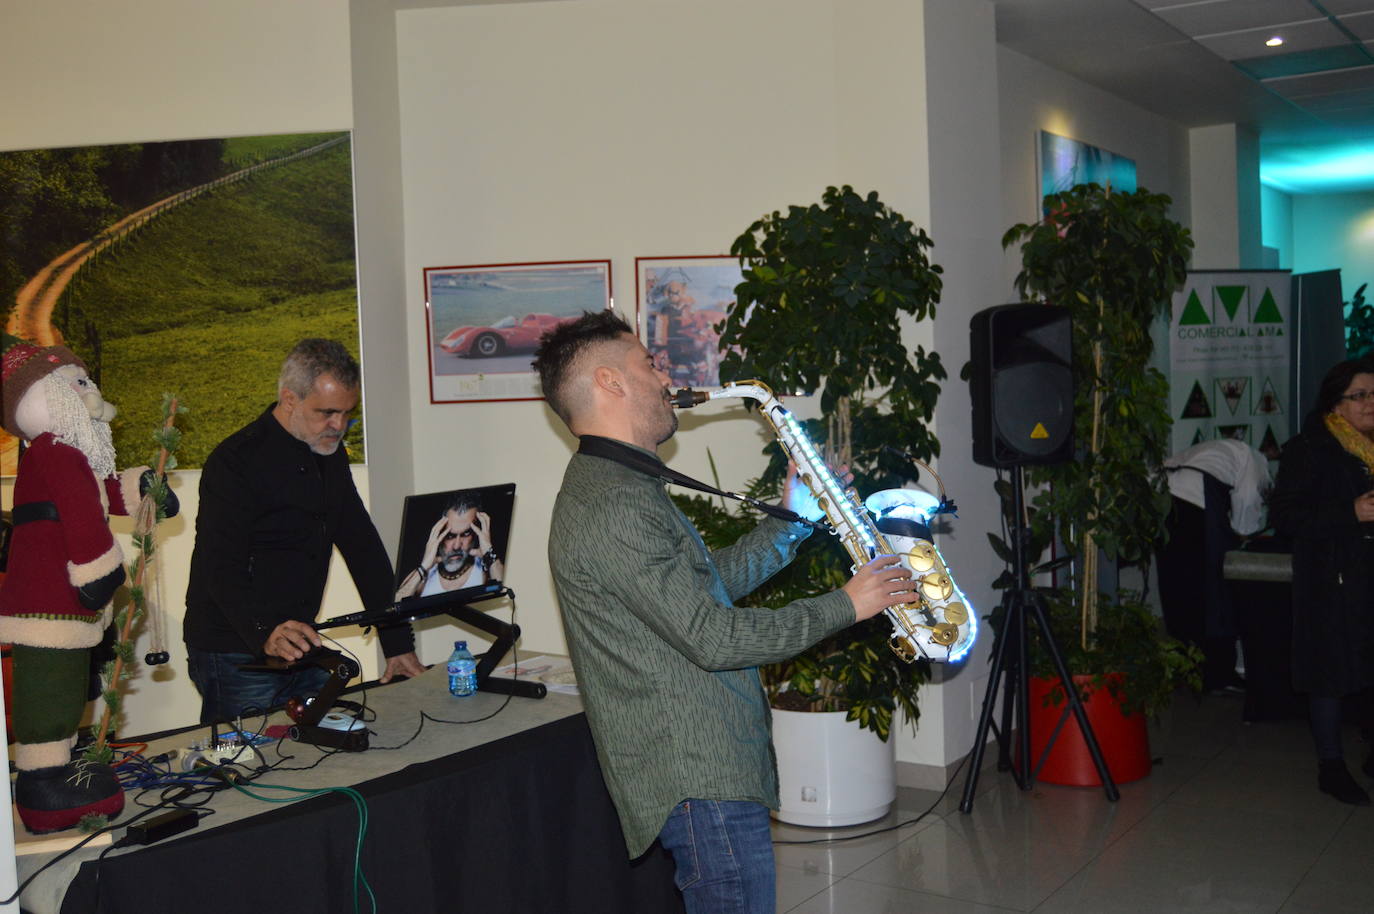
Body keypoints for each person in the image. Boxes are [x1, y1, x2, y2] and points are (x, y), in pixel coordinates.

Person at [531, 310, 915, 913]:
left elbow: (703, 591)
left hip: (706, 769)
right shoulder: (613, 504)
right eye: (649, 364)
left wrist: (789, 522)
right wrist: (849, 603)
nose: (665, 378)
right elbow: (713, 636)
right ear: (610, 382)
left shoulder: (620, 487)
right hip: (696, 776)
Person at [183, 339, 425, 723]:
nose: (339, 425)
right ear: (289, 399)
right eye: (327, 412)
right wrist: (265, 631)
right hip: (234, 648)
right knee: (246, 765)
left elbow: (363, 547)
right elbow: (220, 565)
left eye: (347, 414)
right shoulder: (235, 461)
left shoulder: (329, 453)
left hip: (301, 639)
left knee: (318, 753)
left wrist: (396, 642)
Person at [1270, 357, 1374, 806]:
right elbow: (1286, 518)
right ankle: (1331, 766)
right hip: (1330, 581)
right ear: (1336, 401)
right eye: (1360, 395)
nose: (1370, 404)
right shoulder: (1309, 447)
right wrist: (1350, 513)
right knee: (1329, 674)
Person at [1156, 437, 1272, 693]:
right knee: (1214, 595)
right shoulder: (1256, 461)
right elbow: (1248, 500)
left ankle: (1183, 669)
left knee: (1177, 590)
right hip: (1196, 506)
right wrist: (1244, 533)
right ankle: (1218, 675)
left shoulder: (1218, 448)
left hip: (1162, 503)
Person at [393, 493, 504, 599]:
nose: (456, 546)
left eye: (466, 534)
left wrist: (489, 553)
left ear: (476, 532)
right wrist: (424, 566)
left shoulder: (486, 567)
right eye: (450, 536)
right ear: (438, 533)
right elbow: (396, 604)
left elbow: (502, 590)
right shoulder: (423, 574)